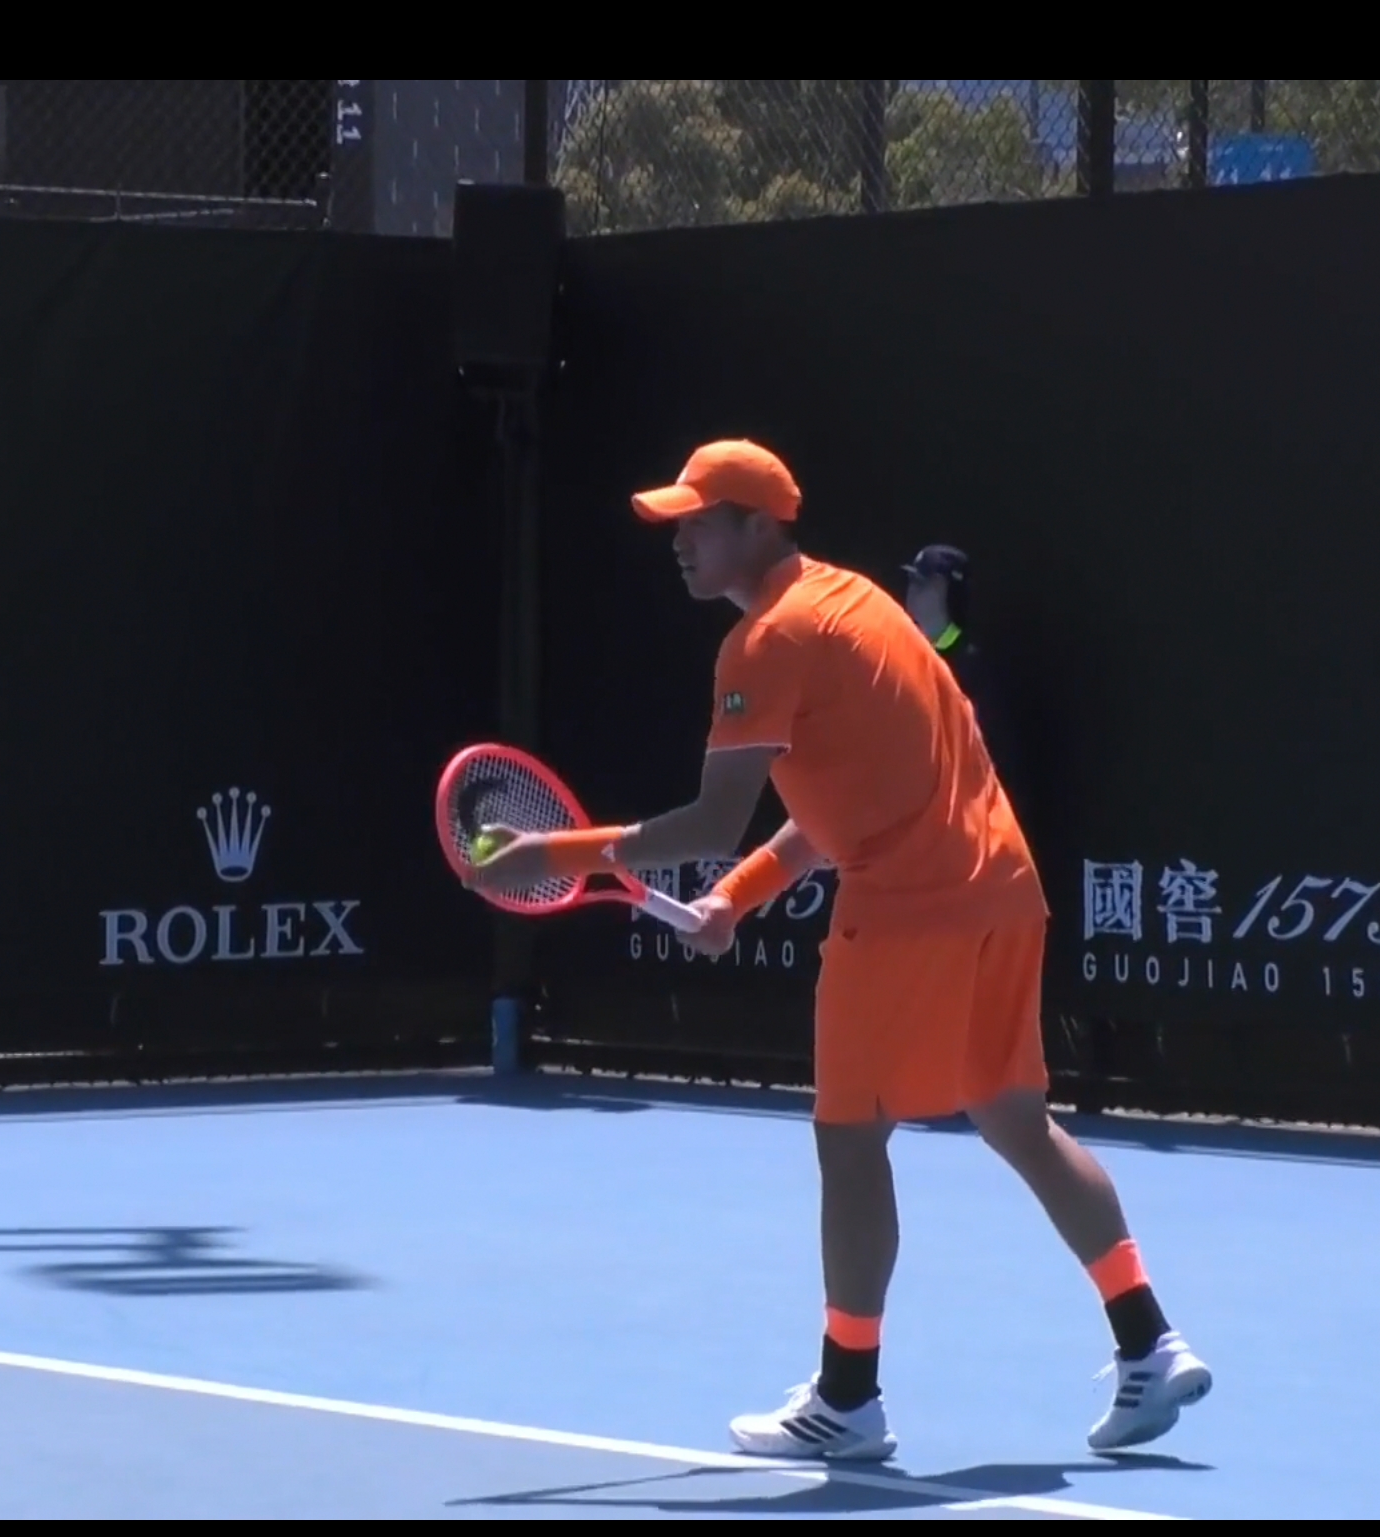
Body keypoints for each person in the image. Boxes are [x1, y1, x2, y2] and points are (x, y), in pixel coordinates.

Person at [466, 440, 1209, 1461]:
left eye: (697, 522)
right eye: (675, 524)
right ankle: (1147, 1339)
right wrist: (735, 898)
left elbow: (711, 821)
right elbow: (834, 809)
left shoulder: (766, 643)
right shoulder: (862, 607)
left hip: (907, 912)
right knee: (1017, 1121)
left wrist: (553, 853)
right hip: (1002, 892)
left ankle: (848, 1398)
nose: (679, 541)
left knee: (849, 1140)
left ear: (758, 526)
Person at [899, 544, 1023, 791]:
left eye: (922, 583)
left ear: (945, 591)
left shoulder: (971, 668)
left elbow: (987, 756)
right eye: (911, 581)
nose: (912, 591)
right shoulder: (900, 651)